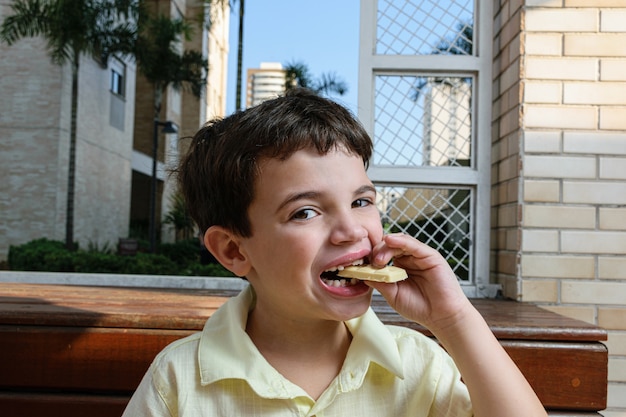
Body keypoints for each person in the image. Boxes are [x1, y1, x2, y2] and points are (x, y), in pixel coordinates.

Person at [122, 89, 547, 417]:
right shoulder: (178, 380)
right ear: (234, 250)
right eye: (305, 212)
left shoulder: (419, 366)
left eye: (362, 202)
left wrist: (454, 320)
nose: (350, 230)